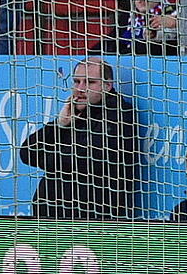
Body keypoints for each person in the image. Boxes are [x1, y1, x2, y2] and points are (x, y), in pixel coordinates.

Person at [19, 58, 141, 220]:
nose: (80, 89)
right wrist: (59, 125)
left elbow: (80, 160)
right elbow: (27, 153)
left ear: (107, 86)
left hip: (92, 220)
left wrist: (48, 158)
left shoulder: (119, 115)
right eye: (76, 81)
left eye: (89, 82)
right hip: (49, 216)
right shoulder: (73, 114)